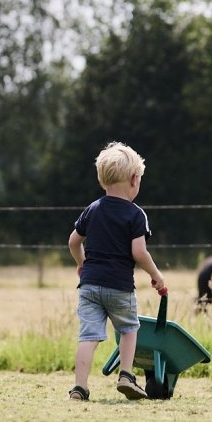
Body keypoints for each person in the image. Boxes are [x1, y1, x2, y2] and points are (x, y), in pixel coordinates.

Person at [66, 142, 167, 401]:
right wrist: (156, 275)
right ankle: (125, 375)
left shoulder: (93, 209)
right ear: (135, 179)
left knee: (88, 335)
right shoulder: (136, 215)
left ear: (102, 181)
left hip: (89, 286)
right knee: (129, 329)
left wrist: (82, 263)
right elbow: (139, 253)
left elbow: (73, 241)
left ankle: (79, 387)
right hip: (120, 287)